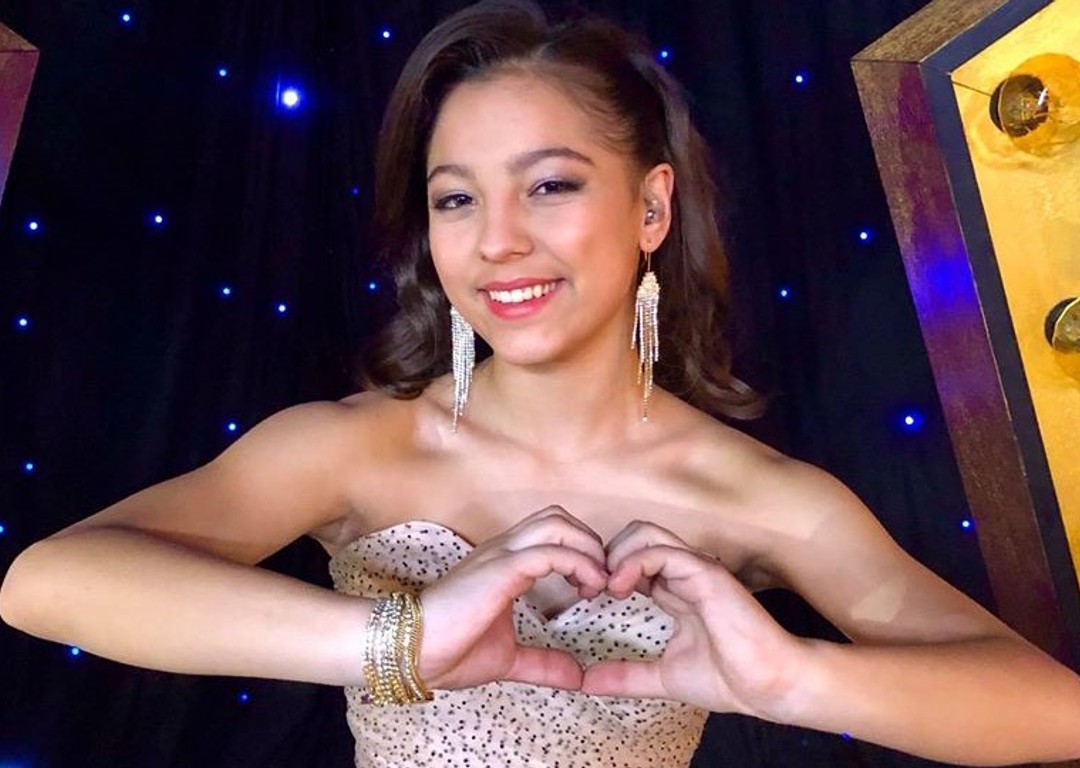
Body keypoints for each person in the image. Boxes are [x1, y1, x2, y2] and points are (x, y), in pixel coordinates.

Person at [3, 0, 1080, 766]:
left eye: (550, 186)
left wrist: (792, 679)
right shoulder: (356, 449)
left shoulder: (757, 496)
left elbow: (1052, 712)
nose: (498, 241)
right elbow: (46, 582)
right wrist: (396, 643)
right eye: (456, 199)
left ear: (651, 208)